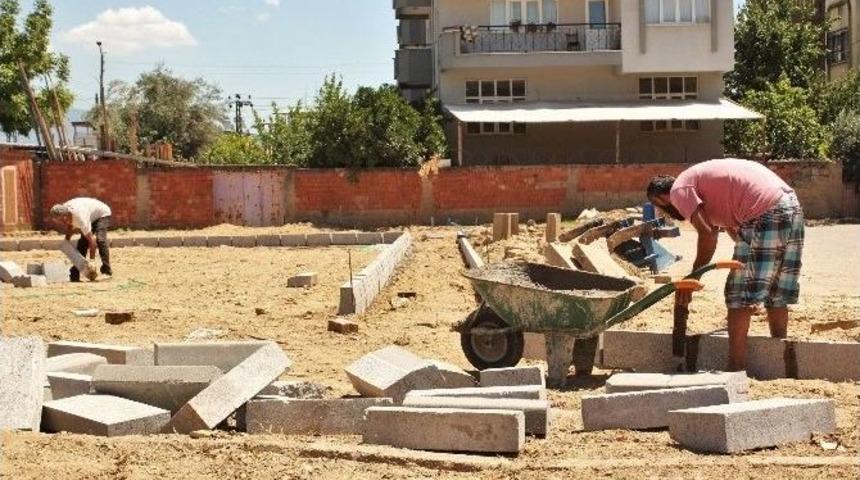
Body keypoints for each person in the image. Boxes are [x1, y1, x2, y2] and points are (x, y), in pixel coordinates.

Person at [646, 159, 804, 371]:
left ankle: (735, 368)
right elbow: (734, 229)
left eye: (661, 209)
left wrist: (694, 277)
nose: (667, 214)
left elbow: (708, 235)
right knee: (776, 291)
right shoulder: (706, 187)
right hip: (791, 206)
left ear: (660, 198)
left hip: (765, 211)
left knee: (738, 294)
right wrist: (751, 261)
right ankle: (779, 357)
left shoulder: (679, 190)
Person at [50, 197, 113, 282]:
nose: (61, 223)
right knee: (82, 243)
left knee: (100, 240)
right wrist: (66, 241)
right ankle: (75, 274)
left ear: (65, 216)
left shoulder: (80, 218)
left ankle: (106, 271)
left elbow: (92, 242)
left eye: (61, 220)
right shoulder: (62, 209)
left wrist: (92, 261)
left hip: (102, 214)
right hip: (89, 214)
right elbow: (70, 225)